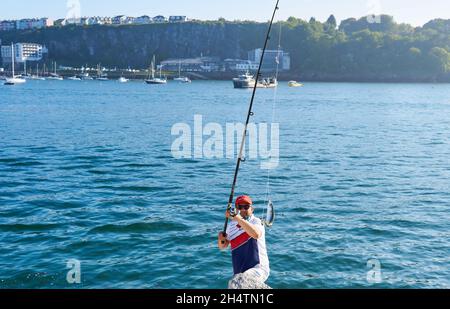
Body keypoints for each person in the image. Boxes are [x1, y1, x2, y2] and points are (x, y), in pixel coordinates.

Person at [218, 195, 270, 284]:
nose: (243, 210)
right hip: (239, 272)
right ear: (236, 209)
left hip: (258, 268)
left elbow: (256, 234)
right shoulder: (231, 226)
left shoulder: (257, 222)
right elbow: (223, 247)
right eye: (239, 207)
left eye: (246, 207)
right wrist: (221, 239)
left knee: (238, 281)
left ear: (252, 209)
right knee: (236, 282)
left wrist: (237, 217)